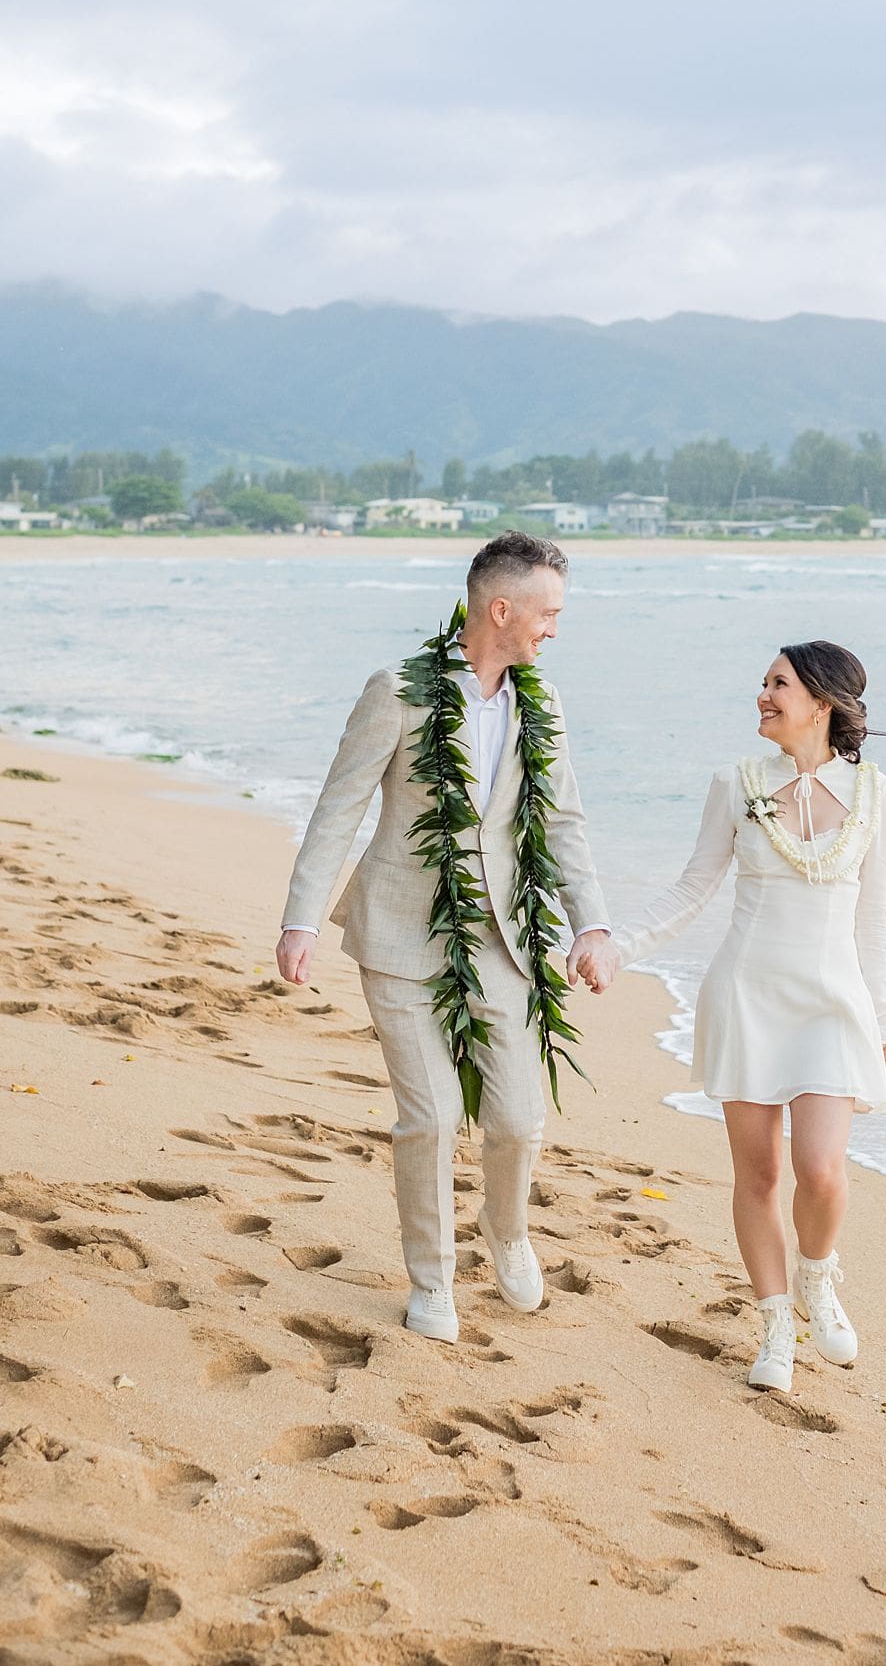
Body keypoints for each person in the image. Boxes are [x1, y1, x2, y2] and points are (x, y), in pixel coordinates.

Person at [276, 532, 619, 1345]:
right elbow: (339, 807)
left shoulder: (543, 700)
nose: (554, 631)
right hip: (398, 933)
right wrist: (299, 918)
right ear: (501, 608)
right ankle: (432, 1280)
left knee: (518, 1119)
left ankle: (508, 1231)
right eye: (549, 613)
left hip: (502, 939)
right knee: (427, 1118)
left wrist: (591, 922)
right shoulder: (397, 689)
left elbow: (563, 821)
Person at [584, 641, 886, 1393]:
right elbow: (692, 889)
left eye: (778, 684)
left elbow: (876, 918)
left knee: (821, 1171)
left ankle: (817, 1274)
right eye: (763, 682)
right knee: (758, 1173)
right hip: (747, 996)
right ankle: (773, 1327)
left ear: (821, 702)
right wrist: (618, 948)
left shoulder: (878, 796)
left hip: (832, 1004)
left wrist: (884, 1021)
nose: (762, 694)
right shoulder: (736, 784)